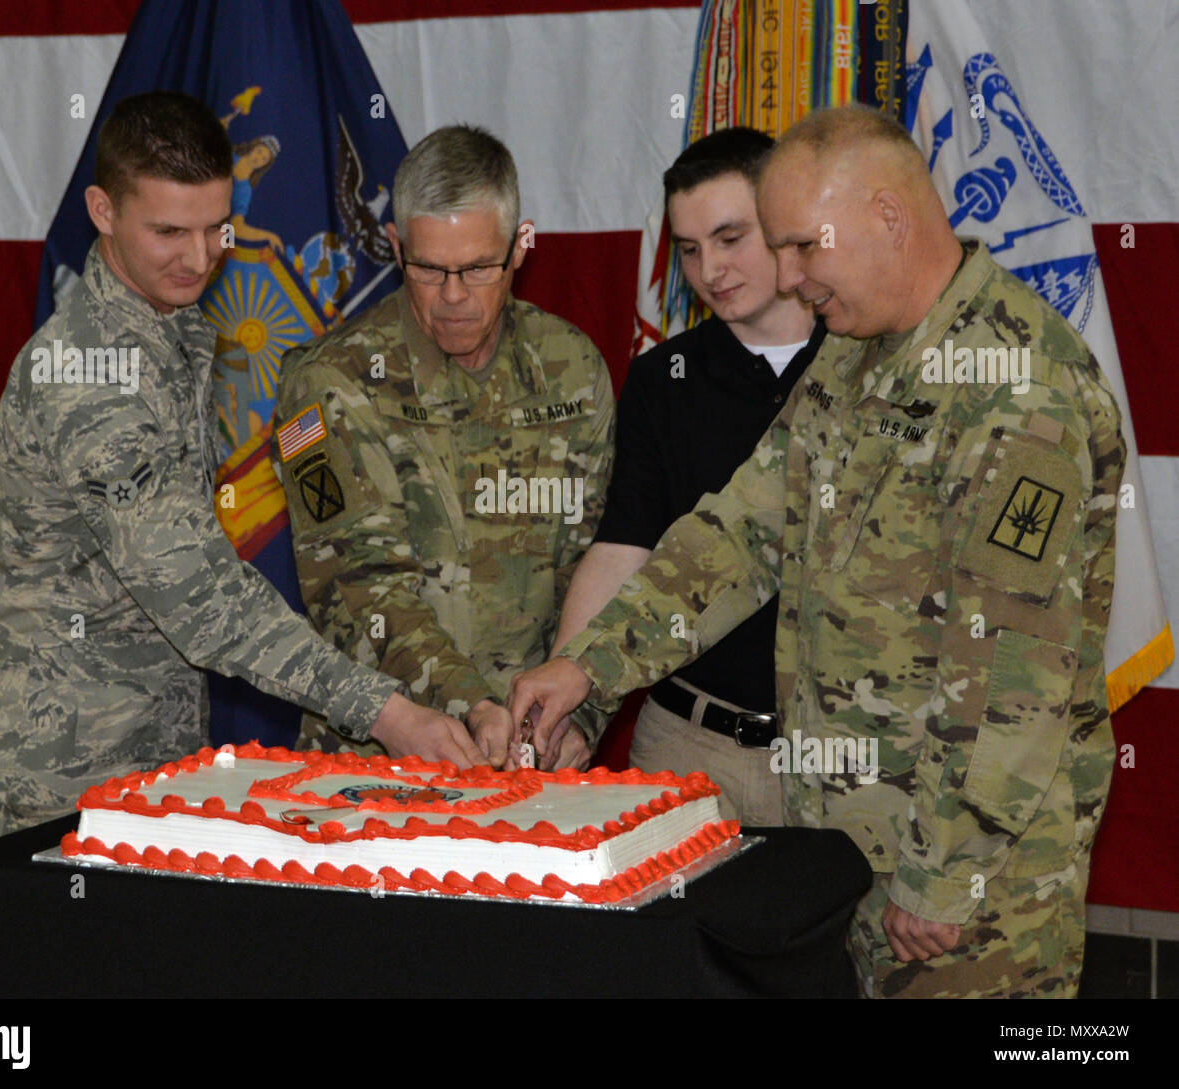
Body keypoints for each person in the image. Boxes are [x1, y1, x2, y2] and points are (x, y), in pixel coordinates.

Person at [509, 105, 1123, 998]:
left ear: (888, 217)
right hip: (847, 844)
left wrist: (945, 873)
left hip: (968, 883)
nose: (789, 279)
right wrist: (589, 668)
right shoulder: (854, 354)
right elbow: (741, 534)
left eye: (804, 247)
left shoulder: (1020, 392)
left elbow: (1011, 671)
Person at [0, 92, 478, 847]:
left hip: (146, 752)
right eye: (168, 230)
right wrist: (384, 710)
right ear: (102, 211)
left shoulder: (167, 329)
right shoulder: (90, 376)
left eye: (216, 228)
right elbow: (200, 596)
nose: (198, 258)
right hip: (56, 768)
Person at [273, 124, 615, 772]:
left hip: (531, 763)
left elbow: (596, 561)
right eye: (429, 268)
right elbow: (355, 587)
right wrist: (471, 704)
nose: (453, 295)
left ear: (520, 246)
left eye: (479, 268)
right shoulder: (324, 384)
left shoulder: (570, 369)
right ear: (396, 246)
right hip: (378, 764)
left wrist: (580, 711)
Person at [549, 127, 822, 824]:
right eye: (691, 250)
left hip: (841, 760)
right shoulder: (661, 379)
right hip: (689, 743)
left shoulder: (860, 361)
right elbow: (623, 547)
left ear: (786, 224)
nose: (711, 270)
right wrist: (569, 688)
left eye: (731, 238)